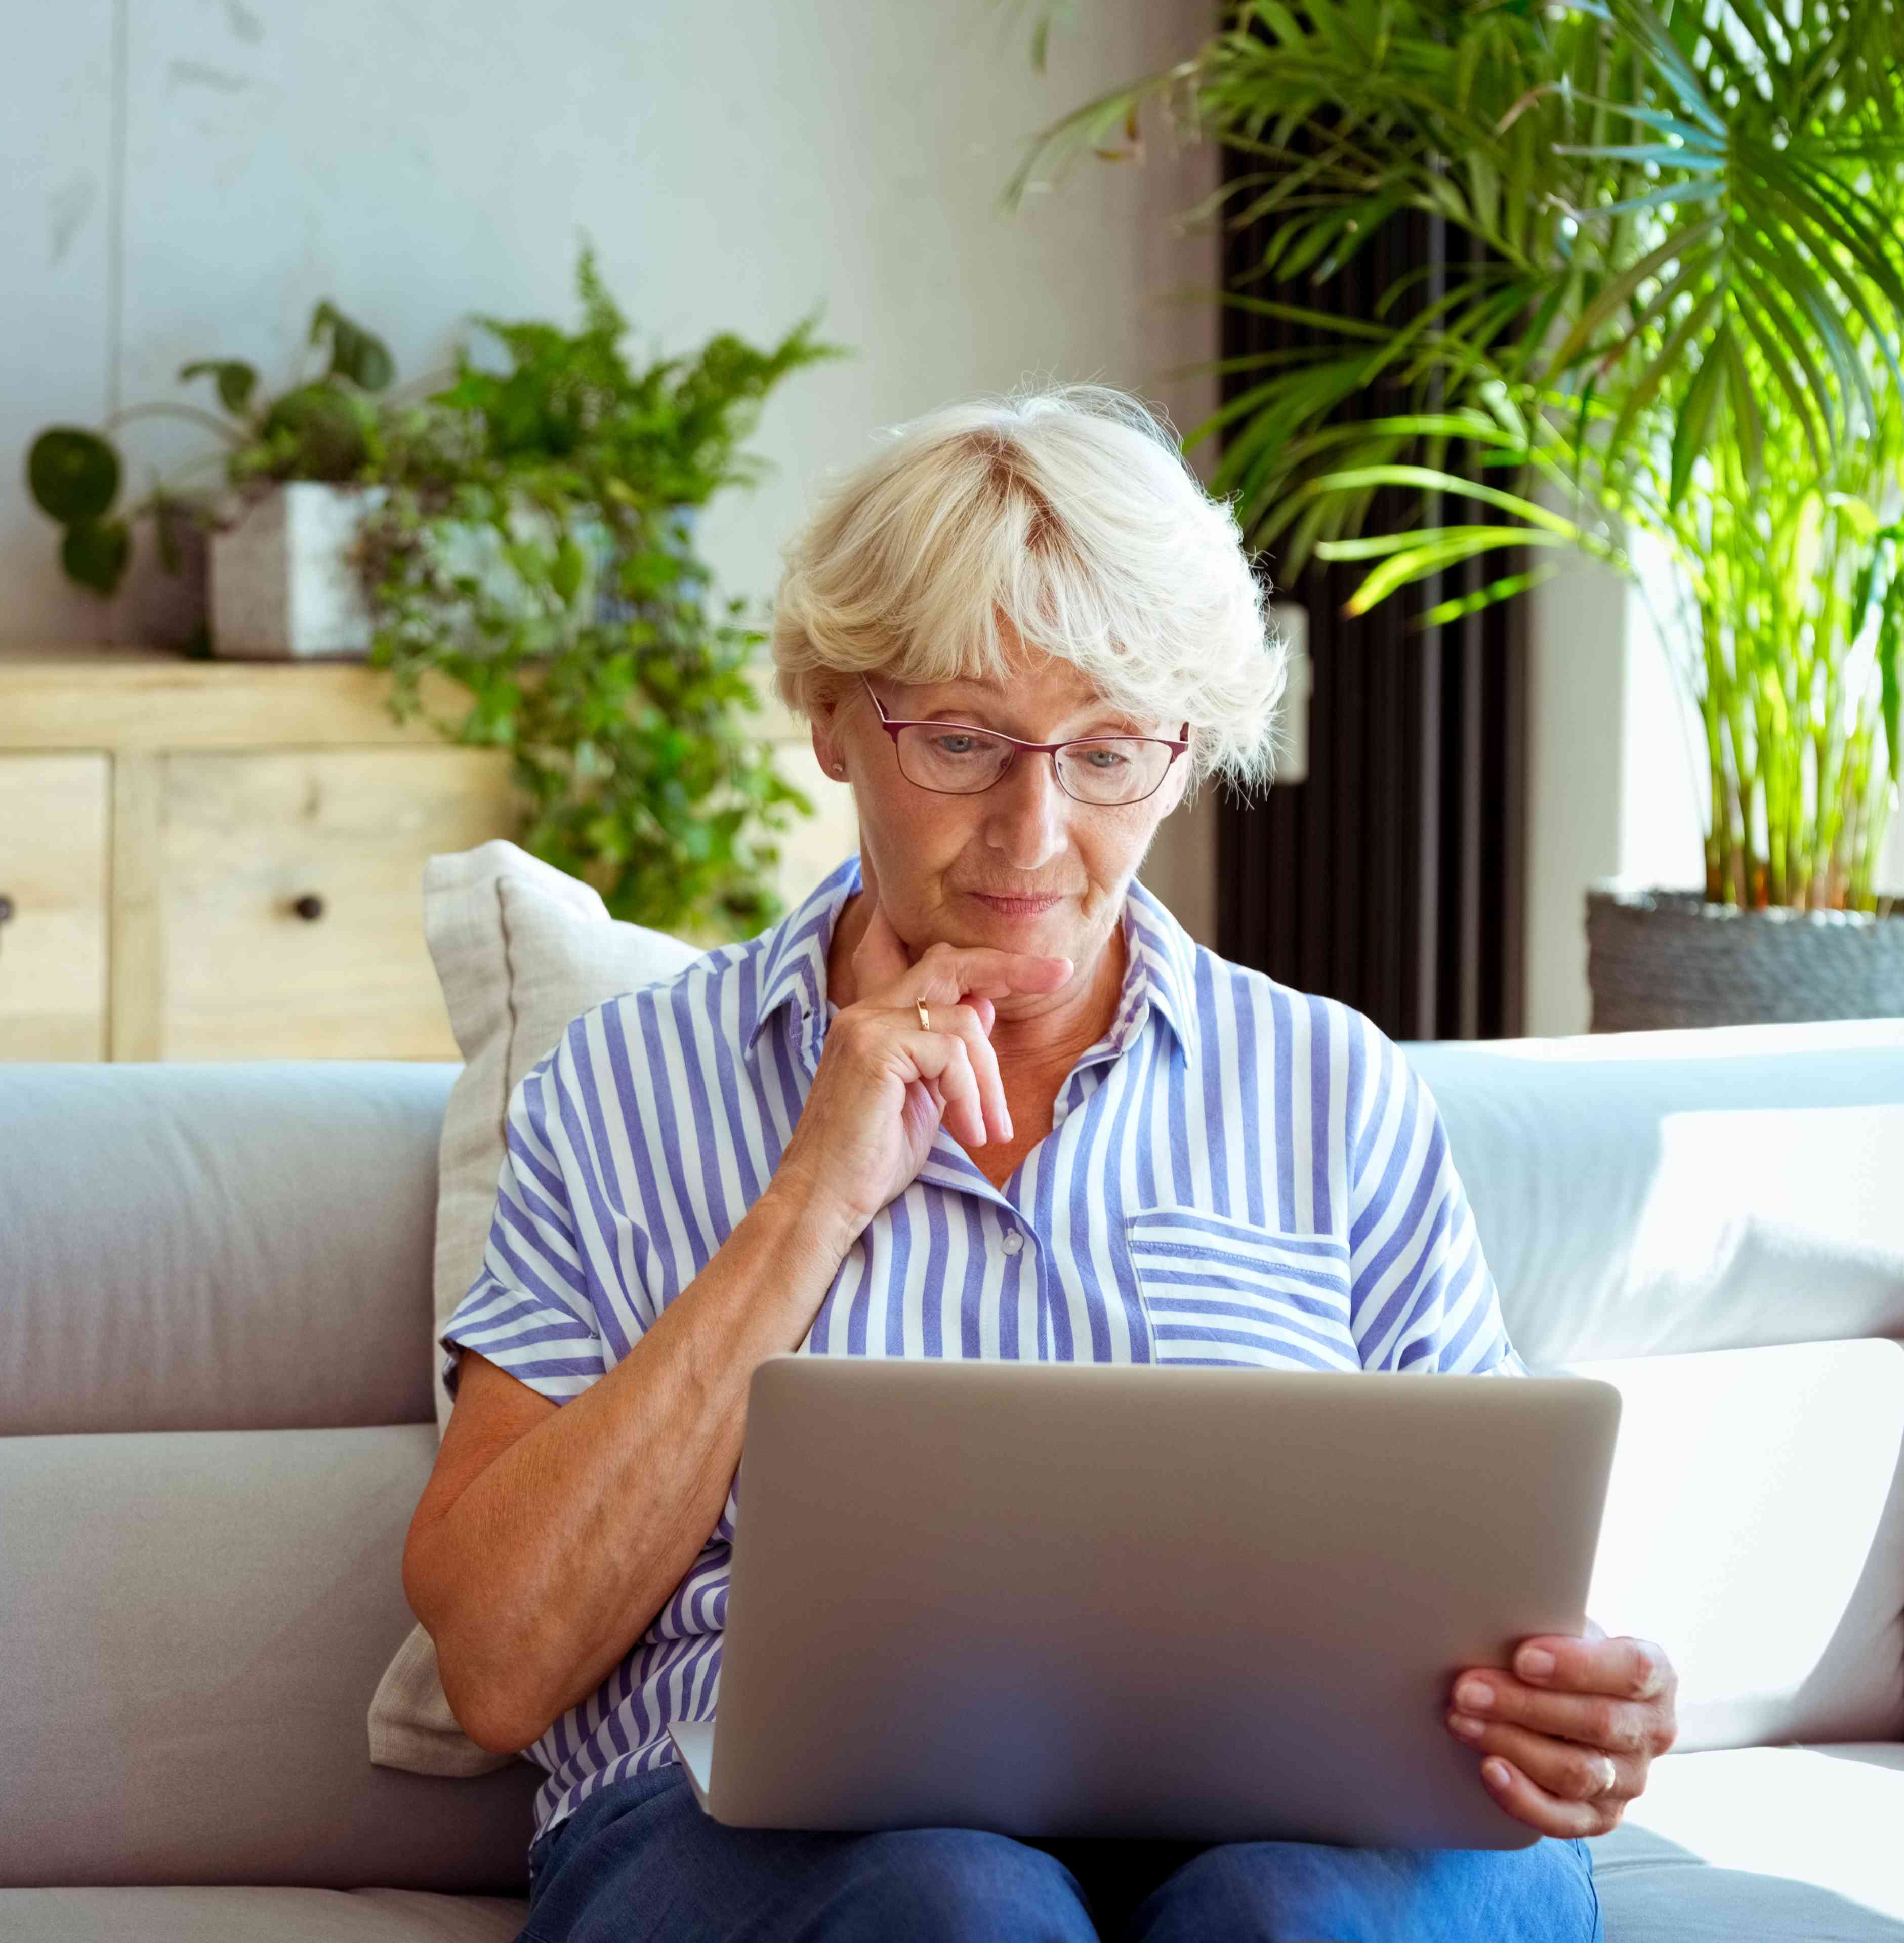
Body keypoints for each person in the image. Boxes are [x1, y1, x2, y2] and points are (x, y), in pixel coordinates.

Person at [402, 386, 1674, 1941]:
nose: (1033, 830)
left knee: (1288, 1924)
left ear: (1185, 752)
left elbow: (1491, 1575)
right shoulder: (627, 1088)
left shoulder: (1328, 1087)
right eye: (961, 740)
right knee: (963, 1911)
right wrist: (812, 1201)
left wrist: (1576, 1700)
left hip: (1294, 1826)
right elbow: (498, 1662)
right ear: (829, 716)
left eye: (1107, 753)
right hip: (761, 1825)